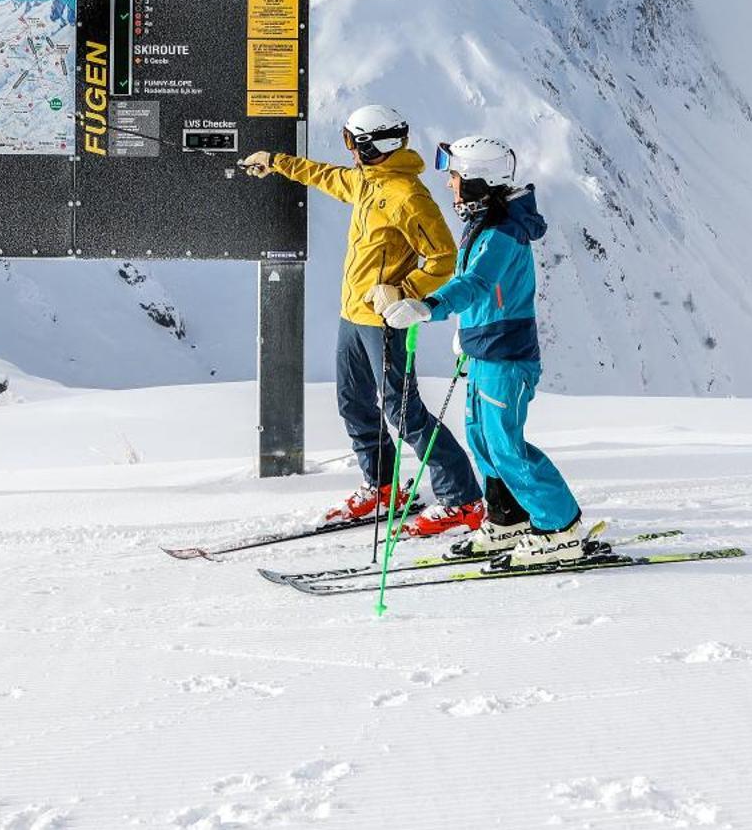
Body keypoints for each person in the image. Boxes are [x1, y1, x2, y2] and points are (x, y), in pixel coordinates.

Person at [239, 105, 485, 536]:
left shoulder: (408, 197)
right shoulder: (367, 183)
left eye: (351, 141)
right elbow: (326, 176)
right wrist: (276, 162)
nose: (348, 150)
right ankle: (383, 487)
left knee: (403, 411)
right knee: (353, 403)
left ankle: (462, 498)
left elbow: (444, 257)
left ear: (370, 146)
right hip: (353, 315)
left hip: (385, 321)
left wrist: (404, 291)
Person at [371, 136, 586, 567]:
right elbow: (487, 296)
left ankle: (560, 527)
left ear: (475, 181)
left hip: (506, 356)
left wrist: (428, 307)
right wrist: (464, 337)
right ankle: (508, 520)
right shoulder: (486, 223)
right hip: (485, 350)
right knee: (482, 441)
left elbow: (476, 285)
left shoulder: (502, 233)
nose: (449, 185)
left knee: (506, 444)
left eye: (454, 176)